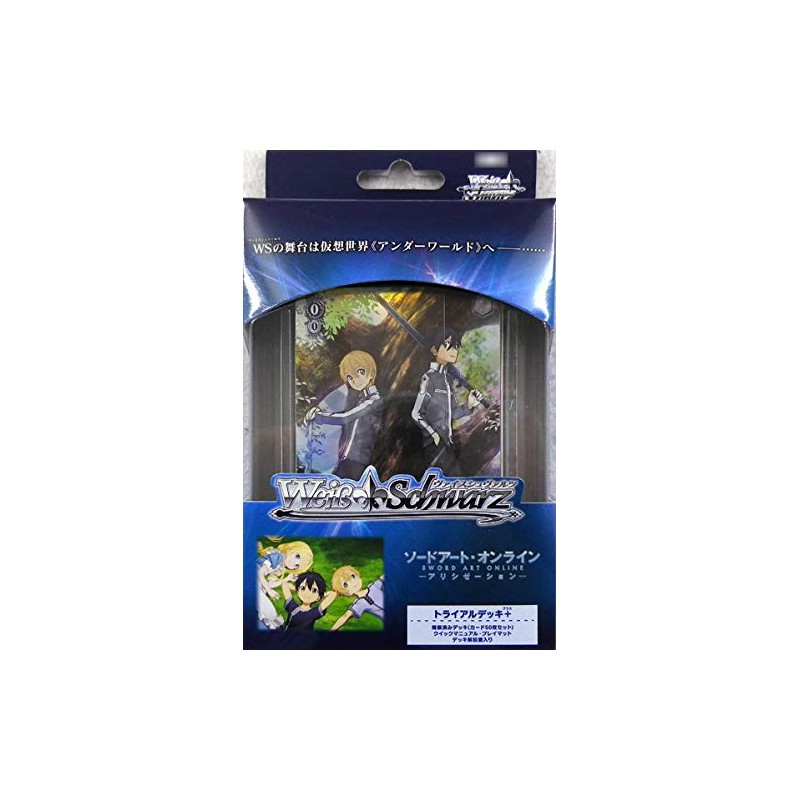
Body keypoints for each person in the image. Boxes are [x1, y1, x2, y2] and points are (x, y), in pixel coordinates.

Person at [411, 329, 482, 475]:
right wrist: (433, 434)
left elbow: (453, 412)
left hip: (447, 443)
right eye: (448, 345)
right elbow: (416, 413)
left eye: (456, 347)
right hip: (434, 444)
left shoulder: (448, 380)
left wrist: (469, 405)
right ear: (434, 350)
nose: (454, 350)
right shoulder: (429, 378)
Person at [304, 351, 383, 480]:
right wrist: (318, 409)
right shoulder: (359, 398)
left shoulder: (373, 400)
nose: (355, 380)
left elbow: (345, 418)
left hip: (359, 460)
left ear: (371, 373)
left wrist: (319, 416)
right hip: (346, 459)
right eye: (350, 377)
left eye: (360, 372)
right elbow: (335, 400)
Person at [257, 541, 314, 629]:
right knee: (269, 614)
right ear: (290, 549)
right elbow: (260, 573)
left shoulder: (280, 567)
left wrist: (287, 579)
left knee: (271, 615)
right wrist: (269, 590)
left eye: (297, 565)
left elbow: (270, 584)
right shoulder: (277, 556)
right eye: (297, 556)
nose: (294, 563)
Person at [329, 566, 384, 630]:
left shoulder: (373, 586)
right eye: (345, 584)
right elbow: (345, 616)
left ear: (358, 576)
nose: (352, 582)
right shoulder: (359, 604)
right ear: (347, 593)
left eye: (353, 576)